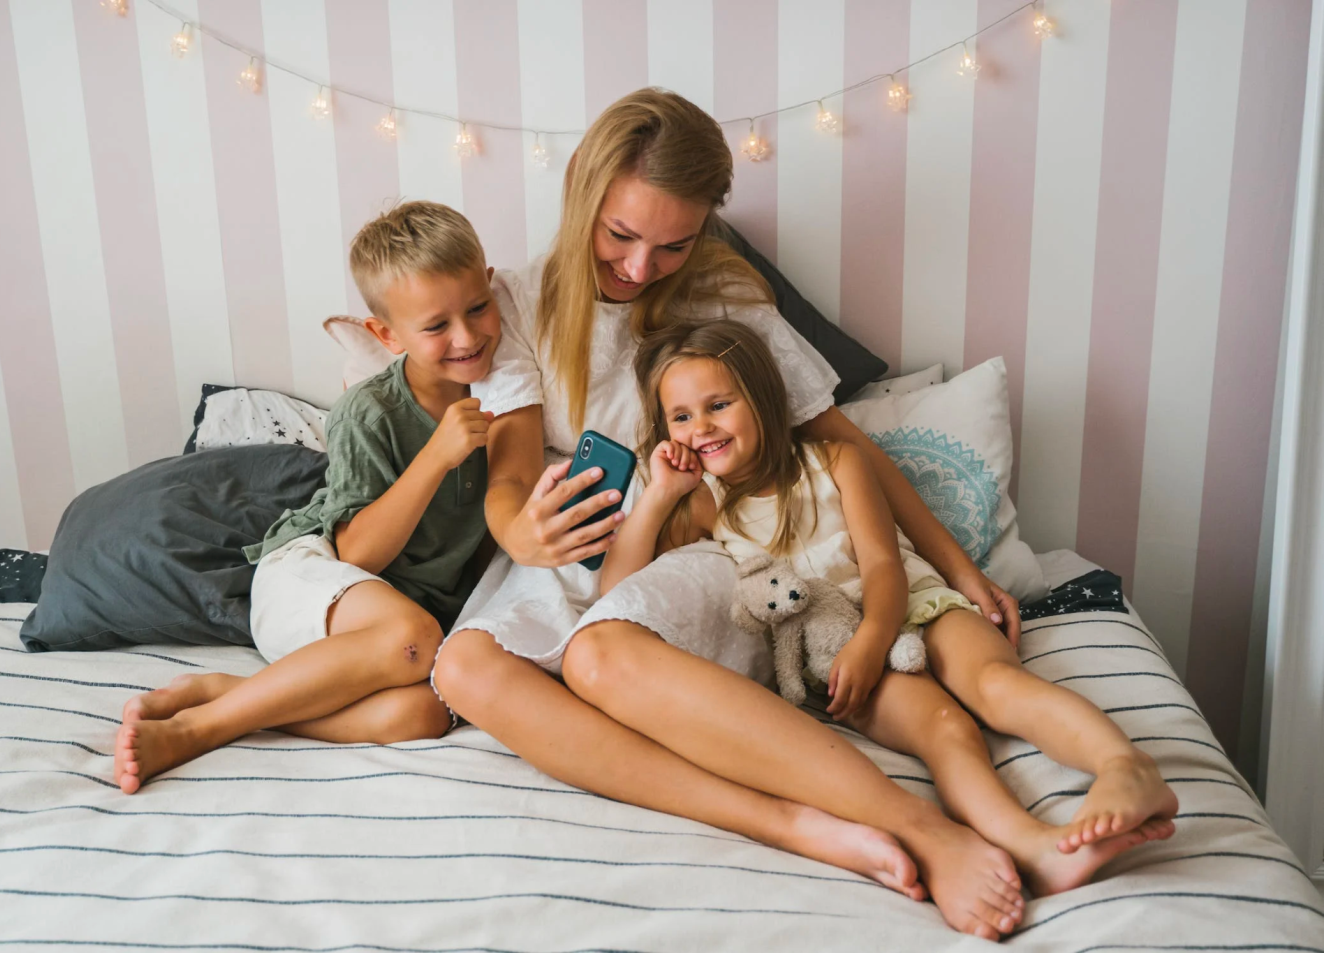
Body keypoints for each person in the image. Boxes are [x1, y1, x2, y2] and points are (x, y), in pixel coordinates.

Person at [431, 88, 1042, 940]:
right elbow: (510, 475)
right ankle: (788, 822)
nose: (643, 267)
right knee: (461, 668)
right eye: (621, 236)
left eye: (672, 243)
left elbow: (843, 446)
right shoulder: (520, 302)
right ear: (580, 188)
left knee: (599, 661)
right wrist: (515, 528)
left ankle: (922, 829)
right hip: (565, 556)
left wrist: (963, 568)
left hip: (690, 547)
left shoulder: (719, 291)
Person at [601, 318, 1178, 899]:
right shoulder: (705, 503)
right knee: (946, 729)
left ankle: (1125, 766)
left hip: (911, 604)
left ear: (763, 398)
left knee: (997, 682)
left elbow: (883, 566)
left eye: (718, 405)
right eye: (681, 416)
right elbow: (614, 596)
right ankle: (1032, 846)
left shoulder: (834, 461)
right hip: (834, 652)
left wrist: (875, 637)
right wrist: (658, 496)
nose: (701, 427)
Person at [113, 202, 501, 794]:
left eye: (478, 308)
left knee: (421, 716)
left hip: (393, 632)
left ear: (494, 285)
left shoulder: (513, 398)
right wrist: (436, 456)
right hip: (312, 578)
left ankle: (233, 695)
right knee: (414, 640)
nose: (467, 336)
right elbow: (358, 554)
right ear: (386, 334)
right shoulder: (370, 411)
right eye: (436, 326)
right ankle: (202, 730)